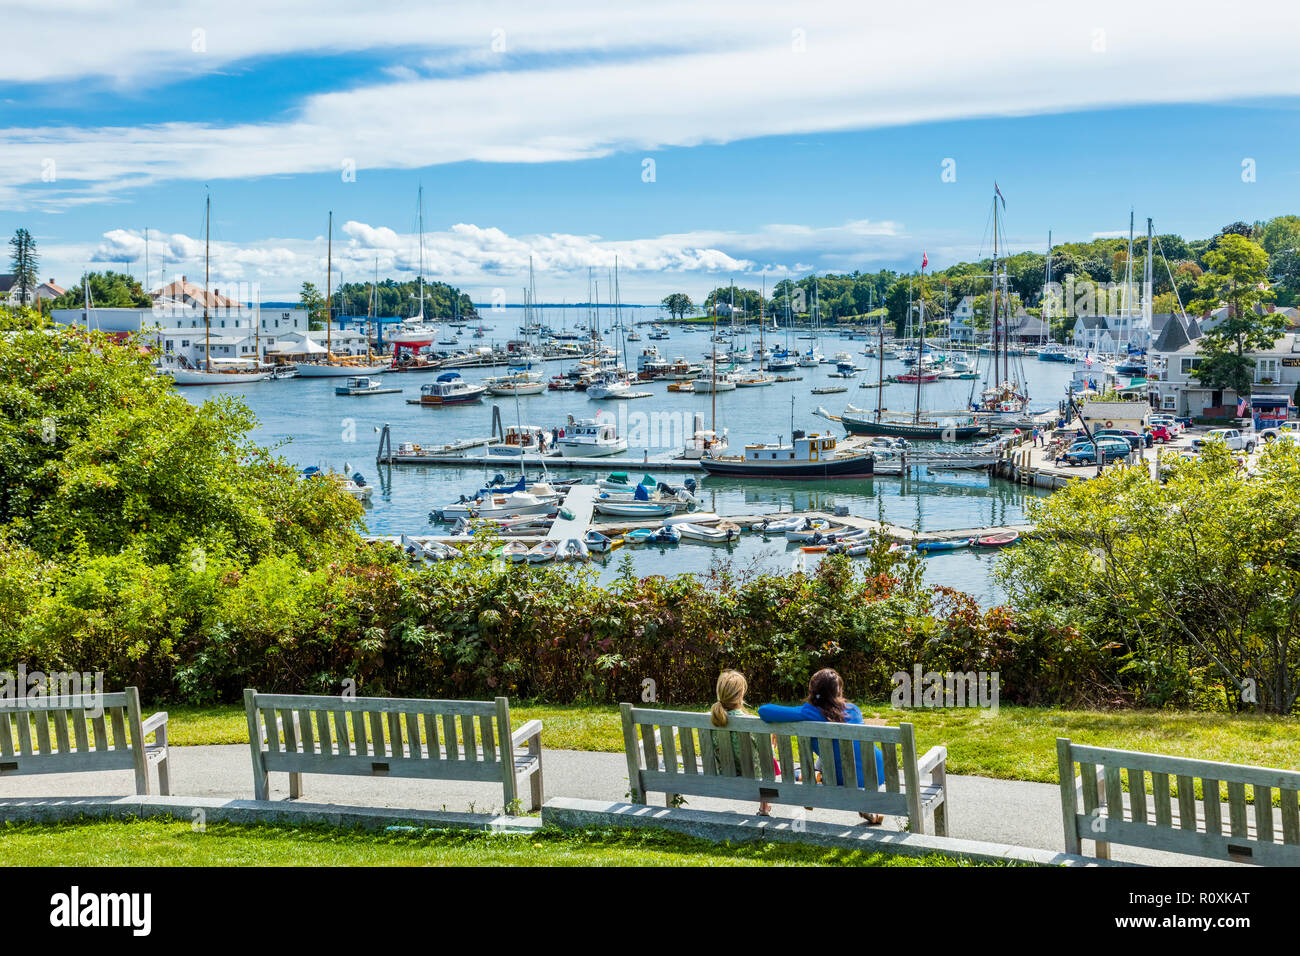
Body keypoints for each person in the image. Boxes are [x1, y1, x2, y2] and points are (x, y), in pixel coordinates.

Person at [757, 668, 886, 824]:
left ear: (812, 691)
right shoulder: (854, 710)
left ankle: (810, 781)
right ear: (838, 690)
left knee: (824, 758)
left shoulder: (809, 712)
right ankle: (817, 778)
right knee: (834, 752)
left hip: (843, 776)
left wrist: (780, 721)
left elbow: (763, 710)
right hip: (876, 771)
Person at [710, 669, 772, 815]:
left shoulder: (711, 720)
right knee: (768, 763)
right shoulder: (753, 723)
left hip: (724, 772)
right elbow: (767, 756)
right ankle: (764, 806)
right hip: (753, 776)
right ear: (741, 694)